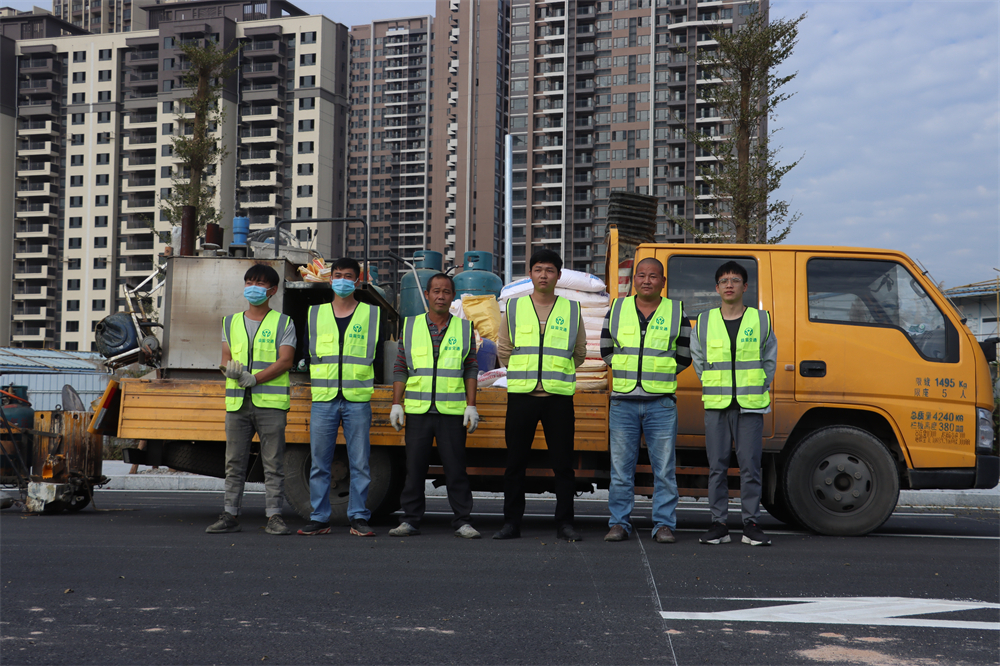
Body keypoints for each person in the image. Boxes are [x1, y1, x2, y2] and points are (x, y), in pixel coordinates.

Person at [494, 249, 587, 541]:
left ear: (558, 276)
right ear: (530, 274)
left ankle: (565, 524)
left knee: (563, 465)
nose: (543, 275)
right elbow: (503, 349)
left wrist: (552, 372)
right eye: (538, 269)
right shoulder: (513, 307)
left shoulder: (572, 309)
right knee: (515, 464)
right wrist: (526, 371)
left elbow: (580, 352)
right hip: (522, 396)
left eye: (549, 270)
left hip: (558, 397)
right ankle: (511, 523)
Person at [601, 257, 691, 544]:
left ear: (663, 282)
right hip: (623, 401)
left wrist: (657, 374)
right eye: (641, 275)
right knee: (620, 470)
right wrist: (630, 371)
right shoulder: (617, 308)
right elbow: (605, 349)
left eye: (654, 276)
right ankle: (618, 523)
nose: (647, 280)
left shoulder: (676, 311)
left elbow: (684, 356)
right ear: (634, 280)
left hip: (660, 403)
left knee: (664, 470)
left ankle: (664, 525)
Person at [388, 273, 481, 539]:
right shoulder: (411, 325)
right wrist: (397, 403)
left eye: (447, 292)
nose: (441, 296)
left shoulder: (464, 328)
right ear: (427, 295)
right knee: (414, 469)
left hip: (451, 412)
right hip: (417, 411)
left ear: (453, 297)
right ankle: (410, 520)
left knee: (456, 469)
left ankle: (463, 520)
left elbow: (471, 368)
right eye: (436, 291)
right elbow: (400, 367)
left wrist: (471, 406)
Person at [691, 261, 777, 547]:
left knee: (750, 466)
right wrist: (717, 386)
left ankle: (751, 524)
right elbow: (699, 362)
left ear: (745, 287)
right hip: (717, 404)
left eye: (735, 280)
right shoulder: (703, 321)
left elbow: (769, 361)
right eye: (724, 280)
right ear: (717, 288)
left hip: (749, 405)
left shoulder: (761, 320)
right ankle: (719, 525)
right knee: (717, 467)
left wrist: (755, 387)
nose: (729, 284)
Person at [208, 263, 295, 535]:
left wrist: (254, 378)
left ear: (272, 290)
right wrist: (229, 371)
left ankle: (274, 517)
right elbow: (225, 358)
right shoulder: (229, 321)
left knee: (273, 463)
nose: (253, 288)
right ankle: (230, 514)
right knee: (234, 462)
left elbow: (286, 360)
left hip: (271, 405)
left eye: (259, 283)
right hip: (237, 403)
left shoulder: (284, 322)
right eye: (249, 282)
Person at [298, 257, 382, 537]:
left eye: (348, 275)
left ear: (357, 281)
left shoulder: (372, 314)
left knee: (360, 463)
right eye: (337, 275)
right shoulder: (314, 314)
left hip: (357, 398)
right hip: (324, 397)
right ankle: (319, 517)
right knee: (319, 462)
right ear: (330, 278)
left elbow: (378, 356)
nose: (342, 280)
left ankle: (358, 516)